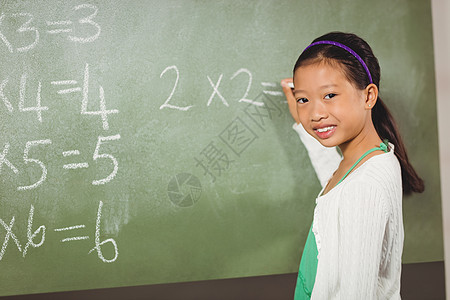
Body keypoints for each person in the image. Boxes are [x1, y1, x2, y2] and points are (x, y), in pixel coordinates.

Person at [280, 32, 424, 299]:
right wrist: (302, 126)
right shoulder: (371, 158)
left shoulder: (364, 186)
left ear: (368, 96)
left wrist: (307, 111)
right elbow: (336, 190)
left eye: (330, 95)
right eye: (304, 100)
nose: (315, 113)